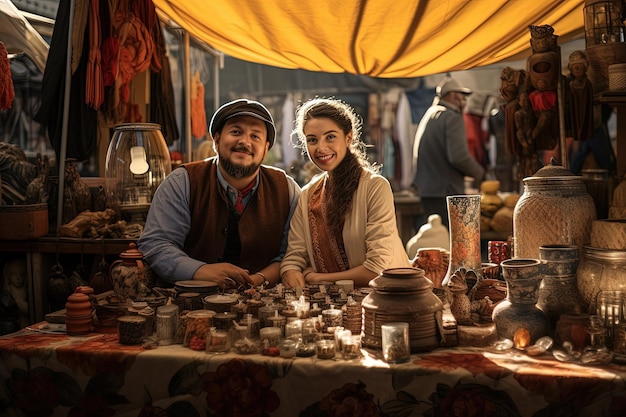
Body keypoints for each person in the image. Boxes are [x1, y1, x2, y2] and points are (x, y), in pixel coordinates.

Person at [138, 99, 301, 288]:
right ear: (216, 140)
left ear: (265, 149)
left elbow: (292, 253)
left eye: (255, 136)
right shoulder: (183, 182)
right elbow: (157, 244)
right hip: (190, 304)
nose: (244, 142)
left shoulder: (286, 189)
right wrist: (200, 271)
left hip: (265, 304)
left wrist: (259, 280)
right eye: (236, 132)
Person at [280, 98, 410, 289]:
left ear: (348, 137)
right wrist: (290, 271)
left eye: (330, 137)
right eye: (312, 140)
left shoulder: (375, 188)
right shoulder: (308, 195)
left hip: (385, 300)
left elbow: (377, 269)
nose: (321, 148)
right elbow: (294, 255)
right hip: (331, 307)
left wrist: (319, 278)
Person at [412, 77, 485, 229]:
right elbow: (458, 157)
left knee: (436, 239)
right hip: (446, 192)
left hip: (428, 191)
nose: (464, 101)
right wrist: (480, 173)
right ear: (452, 95)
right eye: (462, 96)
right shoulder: (451, 116)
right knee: (453, 243)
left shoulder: (430, 113)